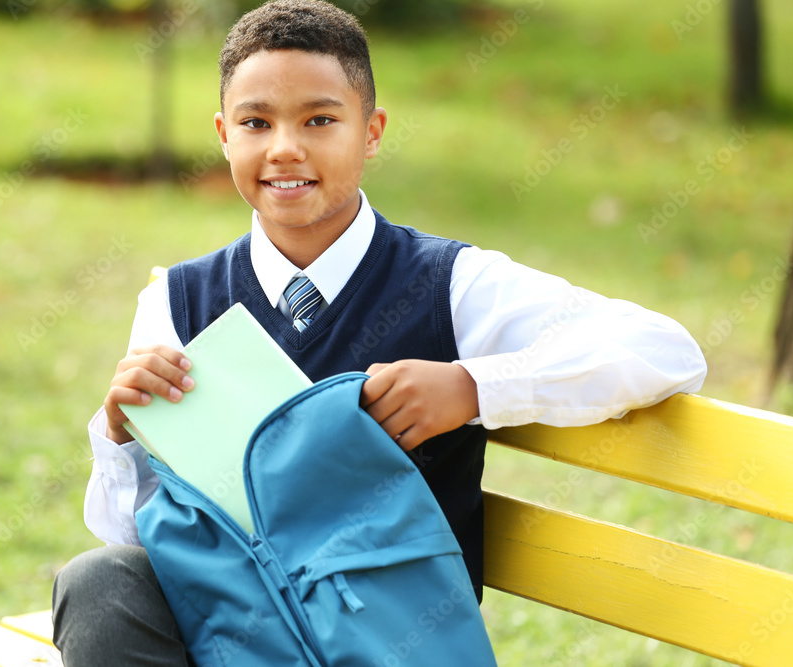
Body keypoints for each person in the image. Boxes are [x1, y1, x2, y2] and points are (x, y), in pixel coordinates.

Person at [51, 1, 708, 664]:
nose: (285, 146)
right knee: (97, 581)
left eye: (320, 119)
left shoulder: (451, 285)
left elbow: (664, 350)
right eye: (257, 122)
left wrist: (473, 387)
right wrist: (120, 436)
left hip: (385, 644)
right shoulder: (180, 300)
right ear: (225, 135)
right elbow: (130, 534)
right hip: (228, 633)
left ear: (370, 131)